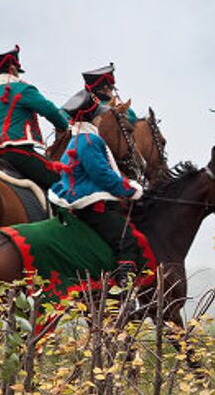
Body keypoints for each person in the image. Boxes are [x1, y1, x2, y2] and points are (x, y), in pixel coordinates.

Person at [49, 89, 144, 286]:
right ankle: (123, 285)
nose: (101, 118)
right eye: (98, 115)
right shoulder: (91, 141)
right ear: (92, 119)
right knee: (126, 240)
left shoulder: (77, 139)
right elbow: (103, 175)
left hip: (75, 198)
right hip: (90, 204)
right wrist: (132, 190)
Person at [0, 44, 70, 191]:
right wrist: (65, 127)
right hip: (20, 154)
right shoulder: (23, 90)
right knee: (63, 181)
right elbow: (50, 111)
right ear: (13, 68)